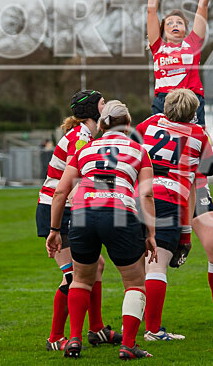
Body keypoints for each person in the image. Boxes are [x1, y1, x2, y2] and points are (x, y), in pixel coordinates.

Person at [146, 0, 213, 324]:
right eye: (171, 23)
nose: (176, 26)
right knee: (149, 251)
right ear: (162, 30)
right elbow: (151, 9)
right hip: (164, 120)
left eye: (180, 23)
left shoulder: (193, 46)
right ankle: (146, 316)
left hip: (191, 123)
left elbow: (203, 4)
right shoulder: (157, 48)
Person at [46, 101, 156, 360]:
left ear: (102, 124)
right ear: (128, 125)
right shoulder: (139, 150)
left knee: (81, 280)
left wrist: (54, 229)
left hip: (83, 213)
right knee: (134, 283)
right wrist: (151, 233)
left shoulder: (85, 149)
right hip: (120, 213)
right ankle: (128, 346)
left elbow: (60, 191)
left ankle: (74, 339)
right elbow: (146, 195)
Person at [35, 90, 121, 351]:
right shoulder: (81, 139)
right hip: (56, 209)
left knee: (96, 266)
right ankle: (55, 338)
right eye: (103, 103)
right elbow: (82, 178)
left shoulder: (87, 136)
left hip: (68, 208)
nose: (106, 106)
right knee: (73, 275)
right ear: (93, 110)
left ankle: (96, 329)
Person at [135, 89, 213, 340]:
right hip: (168, 199)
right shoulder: (198, 134)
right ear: (193, 112)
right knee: (157, 265)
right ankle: (153, 329)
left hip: (137, 197)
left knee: (135, 267)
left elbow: (134, 144)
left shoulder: (150, 123)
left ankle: (129, 327)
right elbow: (208, 168)